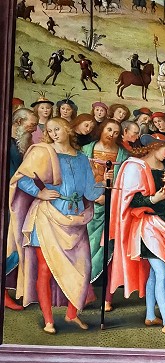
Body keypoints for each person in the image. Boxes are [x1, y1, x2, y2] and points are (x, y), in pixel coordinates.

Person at [8, 117, 106, 333]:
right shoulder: (42, 152)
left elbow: (90, 191)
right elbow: (21, 179)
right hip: (47, 218)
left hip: (77, 218)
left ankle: (72, 315)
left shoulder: (82, 158)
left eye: (57, 129)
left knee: (84, 268)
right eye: (50, 130)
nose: (53, 133)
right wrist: (39, 192)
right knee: (45, 269)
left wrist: (103, 183)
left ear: (67, 129)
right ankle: (49, 320)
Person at [109, 133, 165, 336]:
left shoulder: (164, 168)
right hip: (147, 227)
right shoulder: (135, 167)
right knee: (161, 272)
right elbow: (131, 201)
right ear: (153, 147)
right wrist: (153, 200)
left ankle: (151, 315)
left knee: (154, 273)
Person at [83, 119, 129, 285]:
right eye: (109, 130)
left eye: (116, 133)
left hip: (111, 204)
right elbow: (81, 177)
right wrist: (95, 196)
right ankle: (83, 281)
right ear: (102, 130)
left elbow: (125, 181)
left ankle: (99, 281)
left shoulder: (123, 154)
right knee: (87, 243)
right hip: (88, 203)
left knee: (106, 243)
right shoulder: (87, 150)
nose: (111, 134)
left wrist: (111, 184)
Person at [5, 108, 38, 312]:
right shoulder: (8, 145)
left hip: (21, 200)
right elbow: (13, 176)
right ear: (18, 122)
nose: (34, 129)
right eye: (31, 125)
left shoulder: (22, 143)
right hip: (10, 202)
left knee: (20, 244)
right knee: (11, 246)